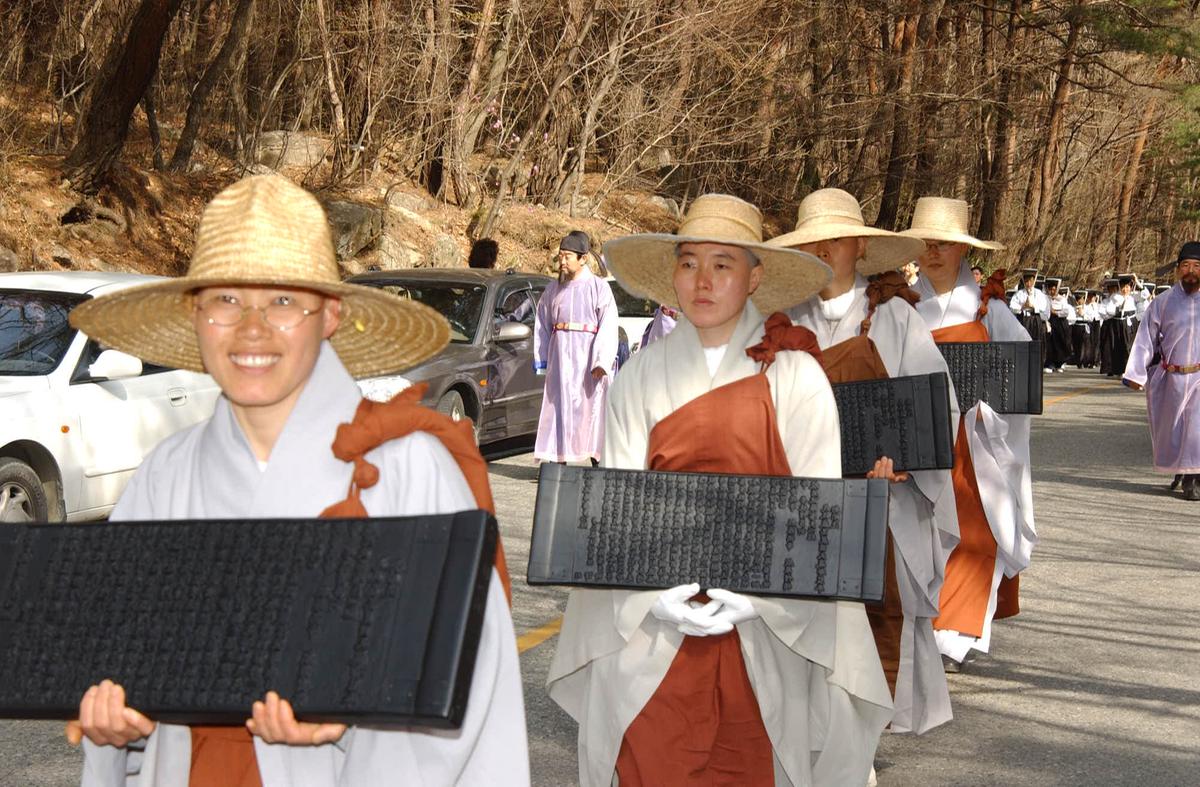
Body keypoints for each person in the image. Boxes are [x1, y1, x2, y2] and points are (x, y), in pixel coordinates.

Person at [65, 174, 529, 786]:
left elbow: (472, 689)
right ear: (195, 316)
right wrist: (118, 722)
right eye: (226, 300)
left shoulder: (410, 468)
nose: (251, 329)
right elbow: (122, 662)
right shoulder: (166, 475)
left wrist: (351, 723)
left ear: (329, 314)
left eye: (283, 301)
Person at [547, 194, 893, 787]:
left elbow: (819, 521)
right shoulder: (639, 376)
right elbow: (618, 515)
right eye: (688, 263)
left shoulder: (797, 378)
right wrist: (649, 598)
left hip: (765, 630)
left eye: (723, 264)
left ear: (756, 276)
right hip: (653, 631)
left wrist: (760, 601)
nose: (702, 280)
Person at [769, 188, 957, 734]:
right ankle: (806, 724)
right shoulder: (779, 323)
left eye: (836, 239)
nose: (825, 250)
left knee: (874, 610)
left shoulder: (896, 318)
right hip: (804, 495)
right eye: (814, 242)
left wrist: (903, 458)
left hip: (878, 493)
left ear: (860, 246)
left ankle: (866, 728)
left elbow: (934, 403)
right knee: (803, 609)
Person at [899, 197, 1038, 671]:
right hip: (920, 441)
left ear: (962, 250)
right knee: (921, 534)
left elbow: (1020, 373)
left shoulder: (987, 311)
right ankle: (925, 623)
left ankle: (953, 634)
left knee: (974, 533)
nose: (933, 253)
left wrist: (988, 411)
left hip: (973, 444)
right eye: (926, 244)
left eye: (944, 245)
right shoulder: (904, 310)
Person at [533, 231, 619, 464]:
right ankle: (557, 462)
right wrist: (543, 359)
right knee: (558, 407)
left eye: (567, 256)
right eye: (560, 256)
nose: (562, 262)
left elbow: (609, 324)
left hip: (587, 358)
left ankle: (596, 461)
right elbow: (542, 324)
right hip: (560, 357)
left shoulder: (598, 287)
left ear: (582, 259)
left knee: (590, 409)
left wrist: (601, 360)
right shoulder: (552, 290)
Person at [1123, 244, 1200, 501]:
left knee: (1195, 429)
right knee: (1174, 430)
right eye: (1186, 266)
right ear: (1178, 269)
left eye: (1197, 266)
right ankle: (1181, 470)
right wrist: (1136, 373)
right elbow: (1146, 339)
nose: (1191, 272)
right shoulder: (1163, 303)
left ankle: (1193, 480)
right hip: (1172, 377)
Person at [1009, 268, 1049, 367]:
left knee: (1036, 340)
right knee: (1023, 341)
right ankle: (1023, 362)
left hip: (1035, 319)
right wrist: (1022, 307)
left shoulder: (1039, 293)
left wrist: (1033, 306)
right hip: (1023, 319)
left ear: (1034, 281)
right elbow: (1012, 306)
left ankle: (1037, 363)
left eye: (1031, 281)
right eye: (1026, 281)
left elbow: (1043, 307)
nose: (1029, 283)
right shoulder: (1019, 294)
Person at [1044, 278, 1074, 373]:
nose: (1052, 292)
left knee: (1061, 342)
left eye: (1054, 289)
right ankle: (1050, 363)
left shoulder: (1062, 299)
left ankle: (1060, 363)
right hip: (1050, 321)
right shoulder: (1046, 298)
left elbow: (1066, 312)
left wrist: (1055, 312)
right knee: (1050, 343)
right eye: (1050, 289)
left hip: (1060, 322)